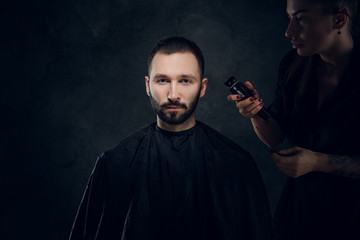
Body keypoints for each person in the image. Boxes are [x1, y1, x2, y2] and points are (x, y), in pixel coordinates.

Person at [69, 36, 273, 240]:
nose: (173, 94)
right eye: (163, 80)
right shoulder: (114, 164)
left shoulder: (236, 165)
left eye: (185, 81)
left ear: (202, 87)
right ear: (148, 85)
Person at [228, 0, 360, 239]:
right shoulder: (293, 64)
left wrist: (319, 162)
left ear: (339, 19)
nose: (289, 31)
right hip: (298, 216)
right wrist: (256, 113)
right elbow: (276, 137)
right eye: (289, 18)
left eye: (301, 18)